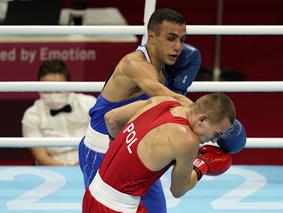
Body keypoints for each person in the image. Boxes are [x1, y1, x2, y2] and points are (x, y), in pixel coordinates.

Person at [78, 8, 203, 213]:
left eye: (182, 39)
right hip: (102, 149)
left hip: (133, 147)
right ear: (151, 37)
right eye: (171, 38)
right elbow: (162, 96)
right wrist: (211, 118)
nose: (178, 46)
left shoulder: (165, 65)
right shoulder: (134, 64)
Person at [82, 92, 236, 212]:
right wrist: (202, 165)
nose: (214, 141)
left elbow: (111, 118)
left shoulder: (161, 101)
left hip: (92, 194)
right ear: (202, 119)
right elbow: (178, 190)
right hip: (117, 208)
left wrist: (121, 152)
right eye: (216, 134)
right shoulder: (188, 140)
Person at [22, 59, 96, 166]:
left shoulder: (88, 103)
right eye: (46, 90)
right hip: (53, 172)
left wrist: (85, 165)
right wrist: (67, 169)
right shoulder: (31, 114)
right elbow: (40, 156)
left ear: (69, 86)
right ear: (38, 87)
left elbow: (103, 141)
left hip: (90, 166)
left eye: (58, 90)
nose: (53, 95)